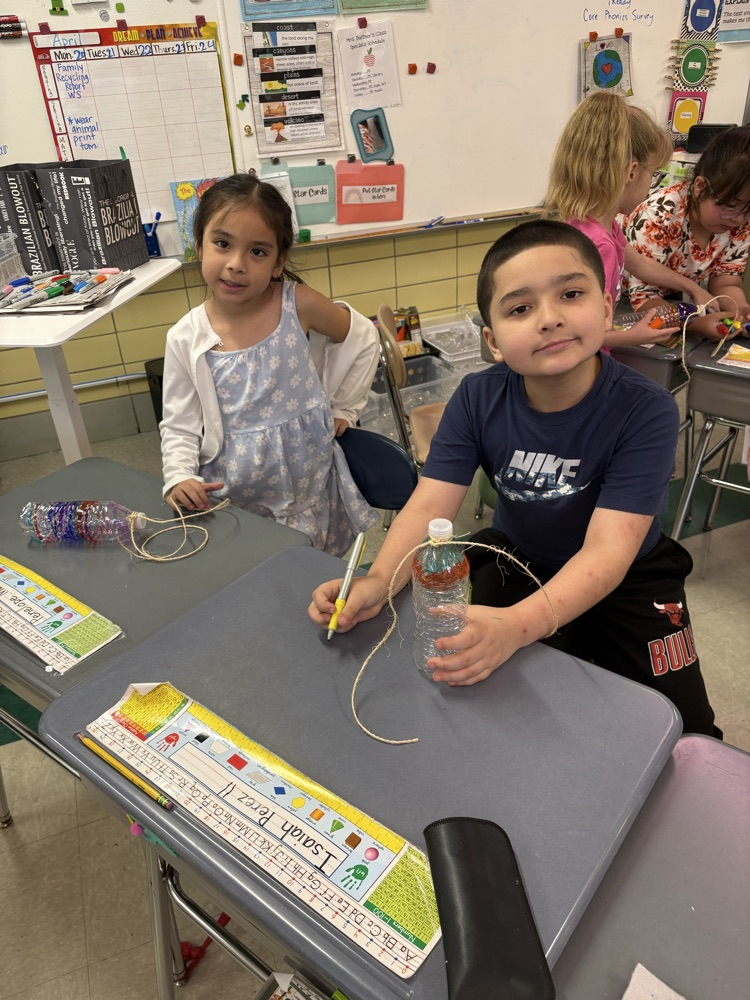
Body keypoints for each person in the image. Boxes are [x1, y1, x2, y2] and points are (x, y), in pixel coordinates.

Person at [308, 220, 719, 737]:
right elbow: (430, 503)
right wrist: (380, 581)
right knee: (475, 697)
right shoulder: (477, 397)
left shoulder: (646, 410)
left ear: (605, 307)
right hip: (516, 558)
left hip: (630, 576)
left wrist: (518, 627)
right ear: (493, 340)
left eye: (570, 294)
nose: (550, 318)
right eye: (520, 309)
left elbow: (608, 552)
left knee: (686, 731)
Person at [160, 172, 379, 555]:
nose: (236, 264)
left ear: (279, 263)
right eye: (222, 244)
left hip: (307, 489)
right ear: (199, 245)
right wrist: (178, 476)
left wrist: (345, 406)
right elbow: (179, 425)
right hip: (234, 499)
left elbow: (362, 337)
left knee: (314, 573)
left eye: (258, 252)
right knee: (252, 575)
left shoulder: (299, 305)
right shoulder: (185, 337)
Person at [544, 92, 715, 348]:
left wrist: (692, 287)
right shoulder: (597, 245)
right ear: (632, 172)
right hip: (585, 361)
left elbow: (641, 264)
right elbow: (574, 334)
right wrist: (635, 336)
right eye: (653, 173)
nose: (652, 183)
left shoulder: (599, 227)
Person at [623, 125, 750, 340]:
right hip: (623, 302)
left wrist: (740, 311)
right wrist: (694, 323)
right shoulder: (659, 215)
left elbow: (726, 280)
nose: (738, 219)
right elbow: (644, 298)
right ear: (700, 187)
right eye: (730, 206)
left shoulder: (740, 222)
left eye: (748, 210)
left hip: (669, 298)